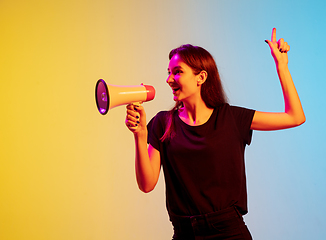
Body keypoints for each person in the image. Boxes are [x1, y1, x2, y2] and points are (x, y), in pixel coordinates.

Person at [125, 28, 305, 240]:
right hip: (184, 233)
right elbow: (146, 185)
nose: (169, 79)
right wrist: (139, 134)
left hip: (228, 232)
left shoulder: (232, 119)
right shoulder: (162, 123)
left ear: (201, 77)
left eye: (177, 72)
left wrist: (281, 66)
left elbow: (295, 117)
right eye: (168, 72)